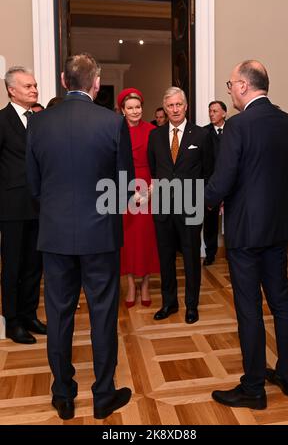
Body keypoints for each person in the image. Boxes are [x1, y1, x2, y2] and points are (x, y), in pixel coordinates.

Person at [26, 53, 134, 420]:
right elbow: (123, 187)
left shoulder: (38, 124)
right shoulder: (112, 122)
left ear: (62, 79)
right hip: (100, 235)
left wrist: (57, 213)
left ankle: (63, 395)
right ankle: (103, 395)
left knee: (58, 315)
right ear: (96, 82)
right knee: (103, 315)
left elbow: (34, 185)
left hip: (55, 234)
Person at [205, 60, 288, 409]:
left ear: (243, 86)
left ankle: (254, 387)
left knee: (248, 308)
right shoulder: (287, 123)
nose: (230, 92)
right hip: (278, 228)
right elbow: (285, 173)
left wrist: (208, 200)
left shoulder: (238, 126)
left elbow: (224, 178)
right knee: (282, 302)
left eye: (230, 86)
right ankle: (287, 374)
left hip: (245, 230)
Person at [148, 86, 214, 324]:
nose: (174, 109)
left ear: (186, 106)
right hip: (163, 206)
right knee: (165, 257)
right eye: (170, 105)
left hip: (191, 206)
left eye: (178, 105)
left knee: (190, 257)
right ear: (164, 108)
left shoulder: (201, 135)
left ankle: (191, 306)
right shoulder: (155, 136)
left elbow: (209, 172)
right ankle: (169, 303)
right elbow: (155, 170)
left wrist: (205, 201)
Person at [0, 66, 45, 344]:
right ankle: (12, 320)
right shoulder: (2, 121)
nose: (34, 90)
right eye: (28, 86)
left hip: (40, 206)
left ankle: (29, 315)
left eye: (35, 85)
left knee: (34, 265)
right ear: (11, 90)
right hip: (12, 208)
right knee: (13, 266)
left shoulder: (40, 121)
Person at [118, 88, 160, 307]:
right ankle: (131, 285)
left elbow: (159, 163)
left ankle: (145, 284)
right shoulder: (116, 130)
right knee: (128, 241)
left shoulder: (153, 130)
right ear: (123, 110)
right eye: (130, 108)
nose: (135, 111)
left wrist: (151, 189)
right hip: (125, 188)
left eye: (138, 107)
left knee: (146, 240)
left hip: (148, 189)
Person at [203, 101, 227, 266]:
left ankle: (232, 252)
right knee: (210, 221)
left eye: (215, 111)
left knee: (232, 219)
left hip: (231, 182)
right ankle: (210, 253)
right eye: (210, 111)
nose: (212, 114)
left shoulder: (234, 130)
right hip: (211, 183)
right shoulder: (204, 133)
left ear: (224, 113)